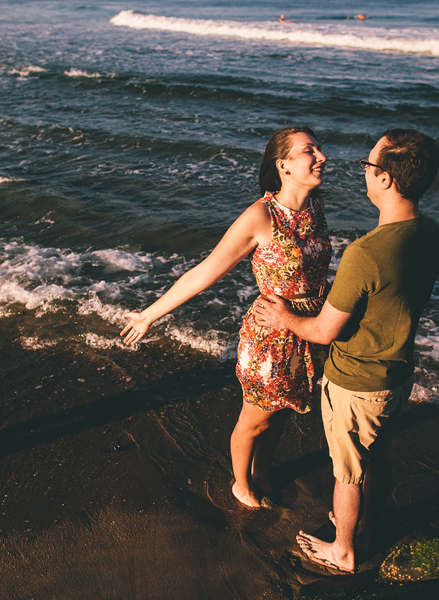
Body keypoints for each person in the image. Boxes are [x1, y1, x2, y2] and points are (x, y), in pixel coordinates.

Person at [255, 129, 439, 572]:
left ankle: (343, 550)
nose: (361, 171)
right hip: (397, 374)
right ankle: (365, 526)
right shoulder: (431, 233)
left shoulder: (366, 254)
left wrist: (283, 318)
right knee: (378, 456)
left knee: (348, 473)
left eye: (367, 165)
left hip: (356, 382)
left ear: (383, 179)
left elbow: (323, 331)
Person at [120, 127, 332, 509]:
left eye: (319, 149)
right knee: (255, 419)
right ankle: (241, 485)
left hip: (308, 331)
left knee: (281, 413)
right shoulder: (260, 216)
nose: (321, 157)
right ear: (283, 165)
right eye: (309, 151)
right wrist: (149, 315)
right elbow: (206, 271)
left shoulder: (315, 207)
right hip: (271, 338)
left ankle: (263, 474)